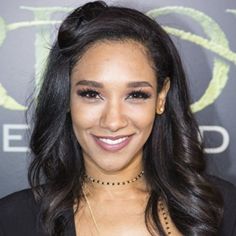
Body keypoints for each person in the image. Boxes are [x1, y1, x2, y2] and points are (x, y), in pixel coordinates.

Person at [0, 1, 236, 235]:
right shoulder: (13, 219)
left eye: (136, 95)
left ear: (161, 97)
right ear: (66, 97)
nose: (113, 122)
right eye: (91, 94)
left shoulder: (222, 207)